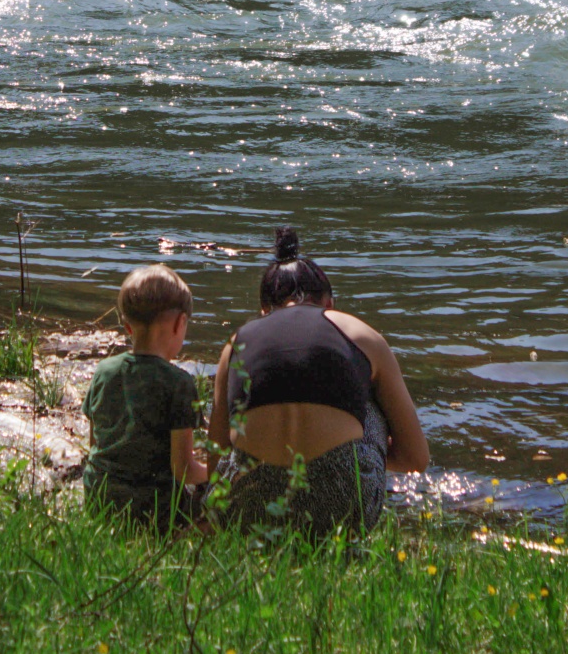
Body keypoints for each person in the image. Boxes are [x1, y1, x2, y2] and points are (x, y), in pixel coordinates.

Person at [207, 228, 429, 535]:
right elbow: (416, 458)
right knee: (368, 407)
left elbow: (216, 457)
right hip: (342, 511)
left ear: (264, 310)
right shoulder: (361, 334)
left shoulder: (236, 344)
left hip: (248, 514)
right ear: (329, 304)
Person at [83, 264, 210, 527]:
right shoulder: (179, 384)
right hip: (153, 511)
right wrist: (216, 473)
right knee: (214, 499)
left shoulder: (104, 372)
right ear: (180, 323)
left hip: (99, 499)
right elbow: (183, 469)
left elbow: (96, 441)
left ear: (128, 327)